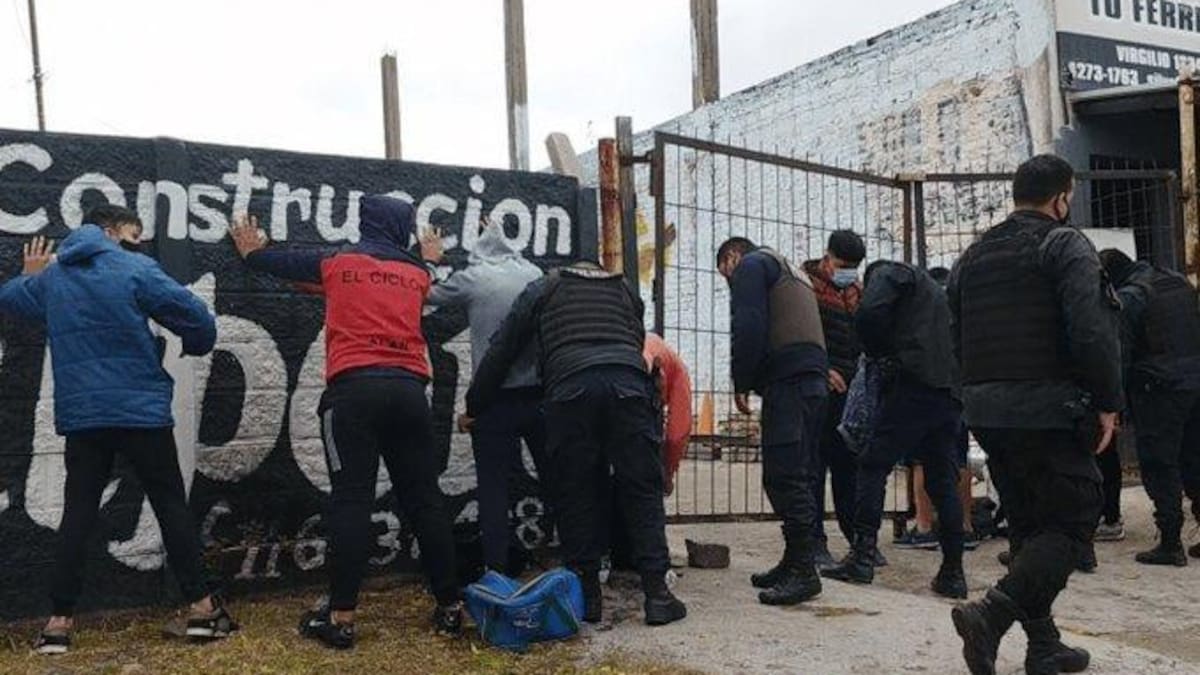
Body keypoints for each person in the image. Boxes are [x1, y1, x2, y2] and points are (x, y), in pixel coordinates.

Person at [0, 205, 236, 655]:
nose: (140, 239)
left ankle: (57, 625)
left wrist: (27, 272)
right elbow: (197, 317)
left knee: (78, 513)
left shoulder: (54, 277)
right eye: (134, 231)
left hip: (83, 417)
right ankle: (203, 612)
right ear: (110, 230)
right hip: (140, 412)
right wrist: (196, 343)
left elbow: (11, 297)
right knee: (169, 504)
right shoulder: (134, 267)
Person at [229, 196, 461, 649]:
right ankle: (451, 608)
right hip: (411, 393)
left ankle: (341, 618)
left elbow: (281, 263)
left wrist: (253, 251)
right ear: (404, 229)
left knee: (352, 502)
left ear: (365, 223)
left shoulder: (337, 263)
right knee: (425, 502)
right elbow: (414, 273)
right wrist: (427, 256)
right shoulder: (417, 274)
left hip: (354, 394)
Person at [948, 154, 1121, 675]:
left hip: (988, 409)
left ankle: (1043, 644)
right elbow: (1091, 330)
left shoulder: (973, 255)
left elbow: (954, 332)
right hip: (1047, 407)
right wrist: (1109, 401)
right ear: (1062, 198)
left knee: (1027, 523)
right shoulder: (1064, 244)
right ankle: (992, 614)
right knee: (1073, 521)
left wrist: (975, 395)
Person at [466, 260, 687, 626]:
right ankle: (658, 595)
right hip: (629, 387)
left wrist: (476, 403)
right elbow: (634, 339)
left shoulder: (544, 287)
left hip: (571, 390)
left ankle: (587, 598)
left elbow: (503, 347)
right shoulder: (624, 289)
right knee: (642, 490)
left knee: (577, 491)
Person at [820, 261, 968, 600]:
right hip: (948, 391)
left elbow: (869, 315)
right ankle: (953, 571)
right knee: (942, 477)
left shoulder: (889, 272)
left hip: (913, 383)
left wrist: (877, 352)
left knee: (873, 463)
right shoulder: (934, 294)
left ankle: (862, 556)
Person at [428, 217, 550, 576]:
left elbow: (428, 293)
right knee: (557, 479)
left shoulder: (473, 278)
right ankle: (576, 561)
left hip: (493, 397)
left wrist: (430, 258)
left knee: (493, 489)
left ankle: (496, 571)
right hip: (540, 394)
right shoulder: (534, 274)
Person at [717, 237, 827, 606]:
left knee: (783, 476)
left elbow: (747, 324)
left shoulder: (751, 265)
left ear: (732, 257)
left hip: (789, 382)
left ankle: (804, 570)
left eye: (725, 273)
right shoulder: (790, 270)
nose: (729, 282)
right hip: (812, 380)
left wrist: (741, 381)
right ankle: (795, 559)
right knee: (799, 471)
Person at [1099, 248, 1200, 565]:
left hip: (1157, 388)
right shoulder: (1177, 281)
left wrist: (1112, 403)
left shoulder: (1130, 297)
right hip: (1195, 381)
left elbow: (1122, 355)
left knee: (1160, 463)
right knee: (1195, 457)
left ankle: (1170, 542)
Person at [896, 266, 977, 553]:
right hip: (959, 391)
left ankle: (924, 526)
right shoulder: (961, 309)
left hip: (928, 390)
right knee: (959, 459)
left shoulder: (924, 312)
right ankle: (965, 527)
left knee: (921, 460)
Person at [803, 230, 868, 568]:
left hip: (850, 394)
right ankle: (814, 541)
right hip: (818, 389)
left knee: (848, 466)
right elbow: (797, 334)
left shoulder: (857, 291)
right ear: (826, 259)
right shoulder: (804, 286)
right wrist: (822, 368)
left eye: (855, 267)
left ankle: (857, 538)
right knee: (813, 468)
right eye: (844, 266)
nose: (849, 273)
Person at [610, 332, 693, 571]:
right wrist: (666, 472)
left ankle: (617, 555)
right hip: (641, 388)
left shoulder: (638, 341)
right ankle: (651, 564)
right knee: (646, 484)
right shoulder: (678, 370)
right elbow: (679, 431)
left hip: (604, 381)